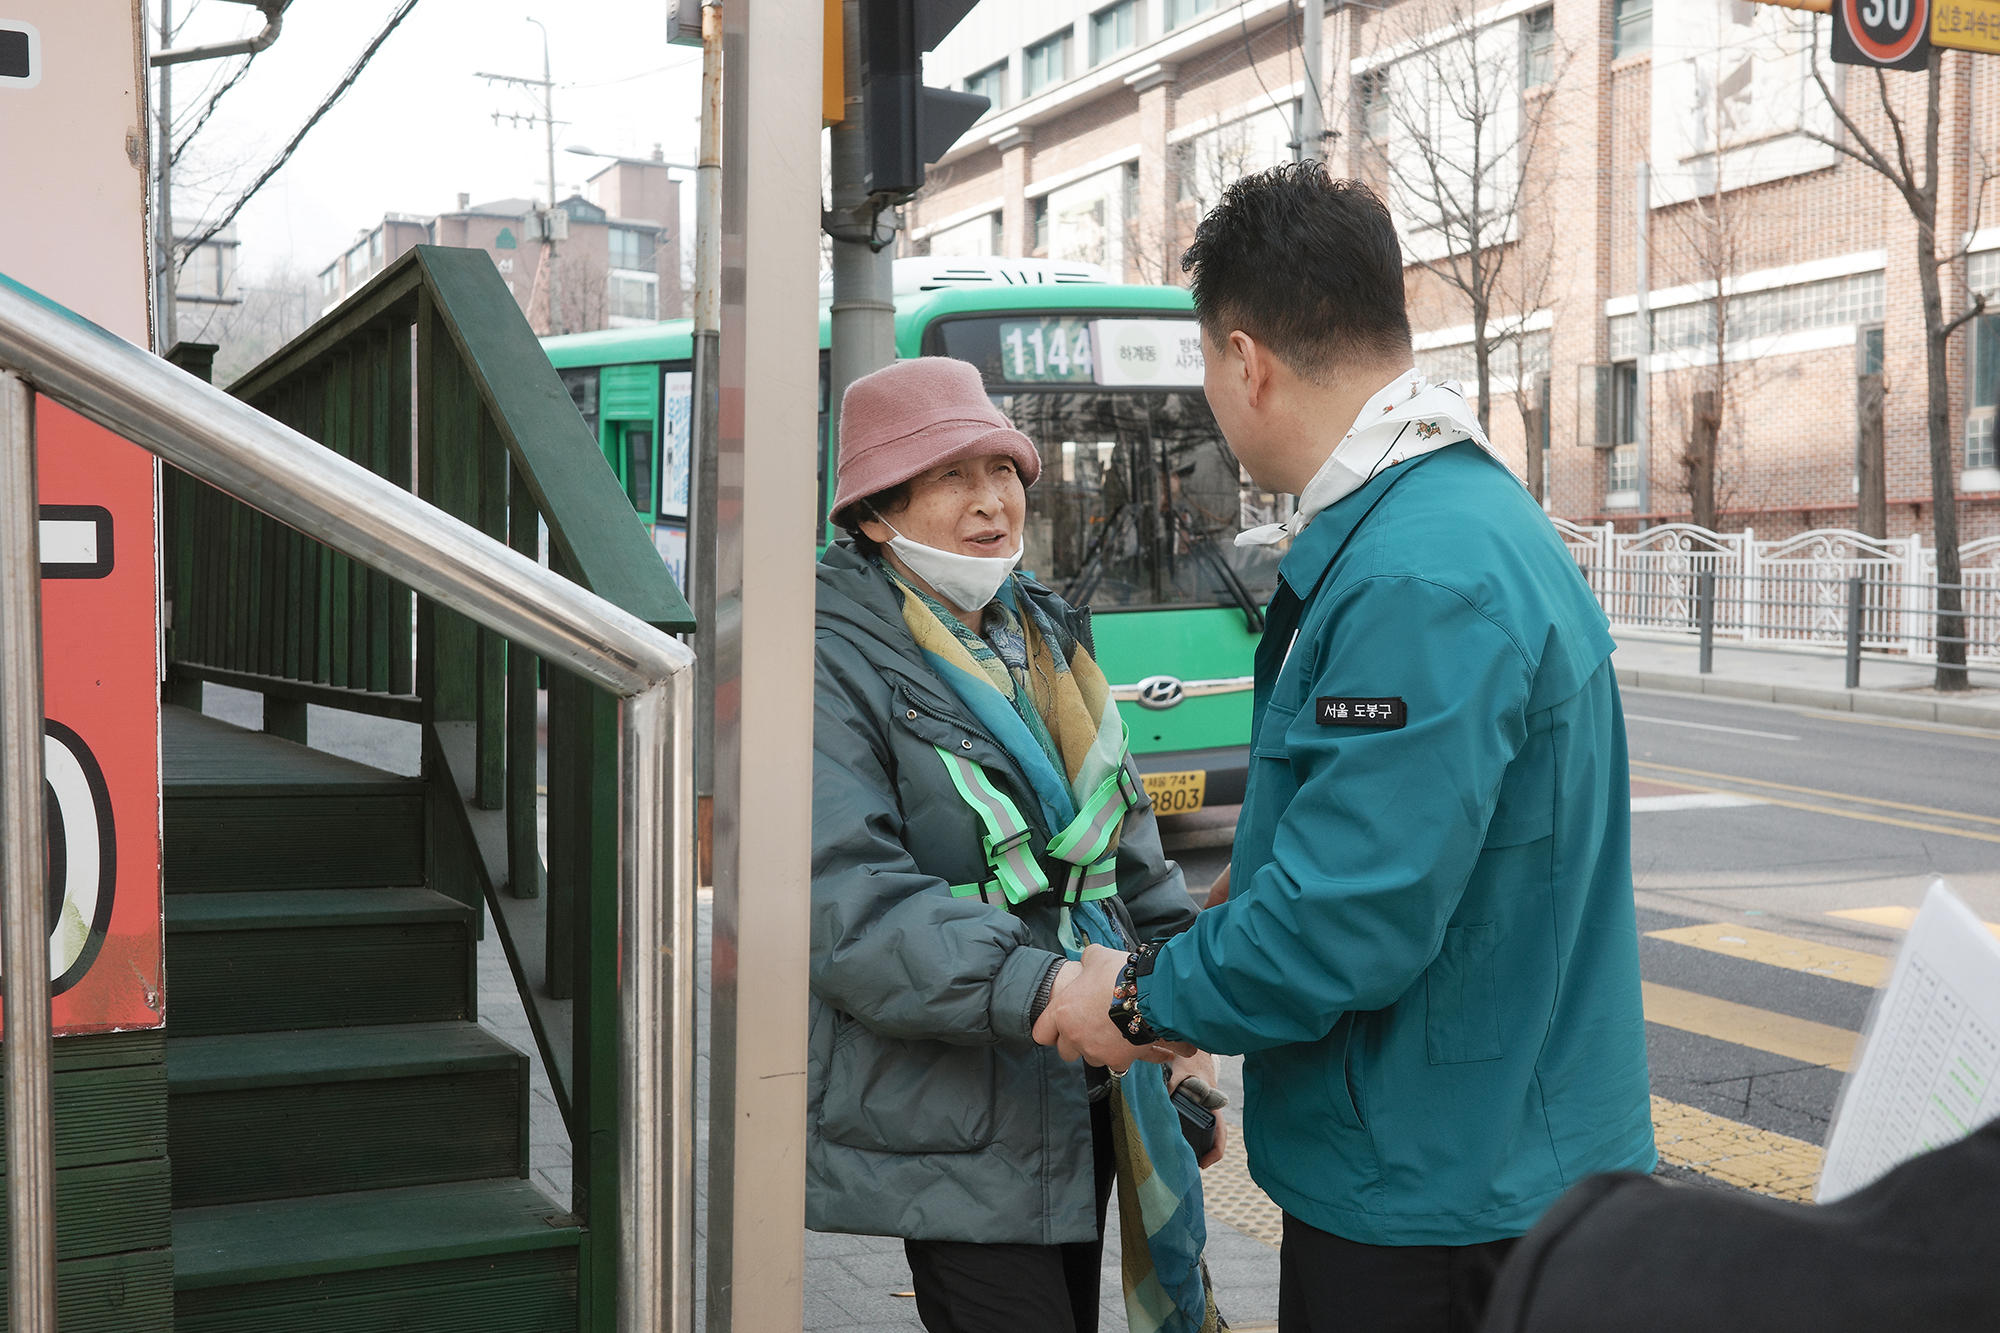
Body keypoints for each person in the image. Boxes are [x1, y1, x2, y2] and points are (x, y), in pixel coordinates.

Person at [1034, 164, 1657, 1333]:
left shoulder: (1412, 576)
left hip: (1437, 1190)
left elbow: (1348, 920)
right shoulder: (1462, 515)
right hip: (1492, 1148)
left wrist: (1132, 1003)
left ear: (1244, 359)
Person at [808, 356, 1227, 1333]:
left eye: (1003, 470)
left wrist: (1179, 1027)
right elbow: (847, 903)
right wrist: (1044, 990)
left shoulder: (1039, 628)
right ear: (875, 512)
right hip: (960, 1102)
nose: (991, 500)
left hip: (1087, 1078)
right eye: (952, 475)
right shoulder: (826, 656)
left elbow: (1125, 853)